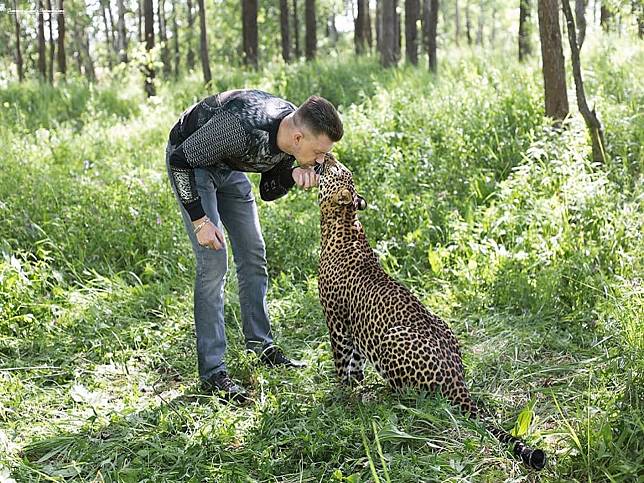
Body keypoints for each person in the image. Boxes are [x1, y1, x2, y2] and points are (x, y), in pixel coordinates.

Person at [165, 89, 343, 402]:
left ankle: (261, 347)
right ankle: (213, 373)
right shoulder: (241, 126)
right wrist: (200, 221)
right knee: (213, 264)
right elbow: (180, 161)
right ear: (299, 138)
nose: (321, 162)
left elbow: (268, 190)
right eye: (318, 153)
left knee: (253, 253)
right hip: (193, 165)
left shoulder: (291, 134)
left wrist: (292, 176)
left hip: (229, 168)